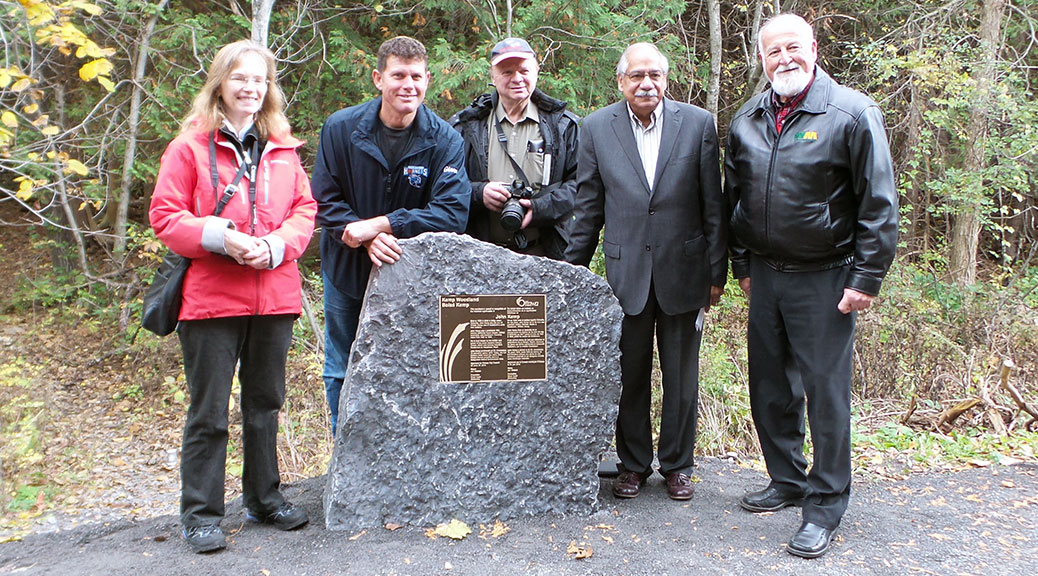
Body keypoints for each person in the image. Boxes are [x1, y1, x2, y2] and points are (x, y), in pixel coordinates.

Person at [725, 14, 899, 558]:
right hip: (766, 276)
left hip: (827, 279)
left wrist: (866, 277)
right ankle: (788, 479)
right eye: (773, 51)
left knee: (825, 398)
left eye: (793, 47)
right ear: (761, 58)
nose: (784, 59)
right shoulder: (747, 119)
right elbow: (734, 199)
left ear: (814, 48)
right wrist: (741, 266)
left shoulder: (851, 112)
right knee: (771, 390)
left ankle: (824, 506)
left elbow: (879, 204)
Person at [149, 40, 316, 553]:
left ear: (269, 89)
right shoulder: (189, 147)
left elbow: (305, 209)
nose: (250, 87)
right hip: (212, 300)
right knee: (209, 412)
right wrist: (222, 236)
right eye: (240, 78)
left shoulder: (283, 146)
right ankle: (201, 515)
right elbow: (165, 216)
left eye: (259, 80)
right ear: (220, 83)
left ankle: (264, 498)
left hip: (274, 294)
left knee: (266, 403)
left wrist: (276, 246)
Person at [565, 42, 727, 502]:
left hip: (685, 272)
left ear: (665, 79)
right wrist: (570, 275)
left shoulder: (697, 125)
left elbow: (712, 206)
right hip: (626, 276)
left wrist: (718, 274)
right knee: (629, 375)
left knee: (682, 377)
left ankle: (678, 465)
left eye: (654, 75)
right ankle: (633, 464)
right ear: (621, 81)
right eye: (636, 75)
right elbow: (588, 206)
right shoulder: (597, 127)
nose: (646, 83)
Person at [312, 36, 469, 432]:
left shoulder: (445, 139)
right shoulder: (341, 129)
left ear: (428, 80)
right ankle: (343, 455)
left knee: (409, 370)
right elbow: (324, 200)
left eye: (416, 76)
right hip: (346, 271)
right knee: (341, 365)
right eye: (398, 75)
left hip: (409, 277)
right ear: (378, 78)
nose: (408, 85)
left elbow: (452, 213)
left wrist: (384, 224)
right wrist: (364, 237)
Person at [449, 37, 579, 259]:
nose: (517, 78)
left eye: (524, 71)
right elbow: (446, 186)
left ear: (537, 72)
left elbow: (581, 186)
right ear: (493, 76)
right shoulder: (466, 125)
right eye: (507, 72)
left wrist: (539, 209)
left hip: (545, 254)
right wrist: (480, 194)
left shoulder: (563, 126)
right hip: (479, 255)